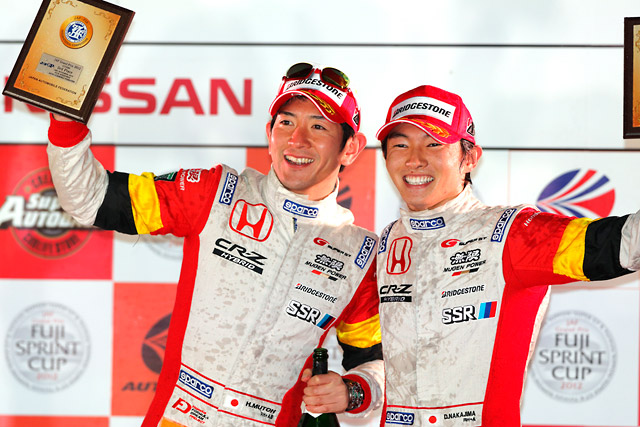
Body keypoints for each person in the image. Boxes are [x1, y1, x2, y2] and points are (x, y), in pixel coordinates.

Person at [46, 62, 383, 426]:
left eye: (318, 126)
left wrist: (353, 391)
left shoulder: (360, 254)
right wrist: (66, 121)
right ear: (269, 133)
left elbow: (375, 360)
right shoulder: (218, 193)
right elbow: (92, 199)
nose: (297, 139)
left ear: (350, 149)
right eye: (286, 122)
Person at [374, 84, 640, 426]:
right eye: (400, 145)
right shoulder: (386, 242)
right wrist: (356, 390)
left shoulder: (510, 233)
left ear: (469, 158)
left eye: (434, 143)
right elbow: (368, 352)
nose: (414, 159)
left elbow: (619, 244)